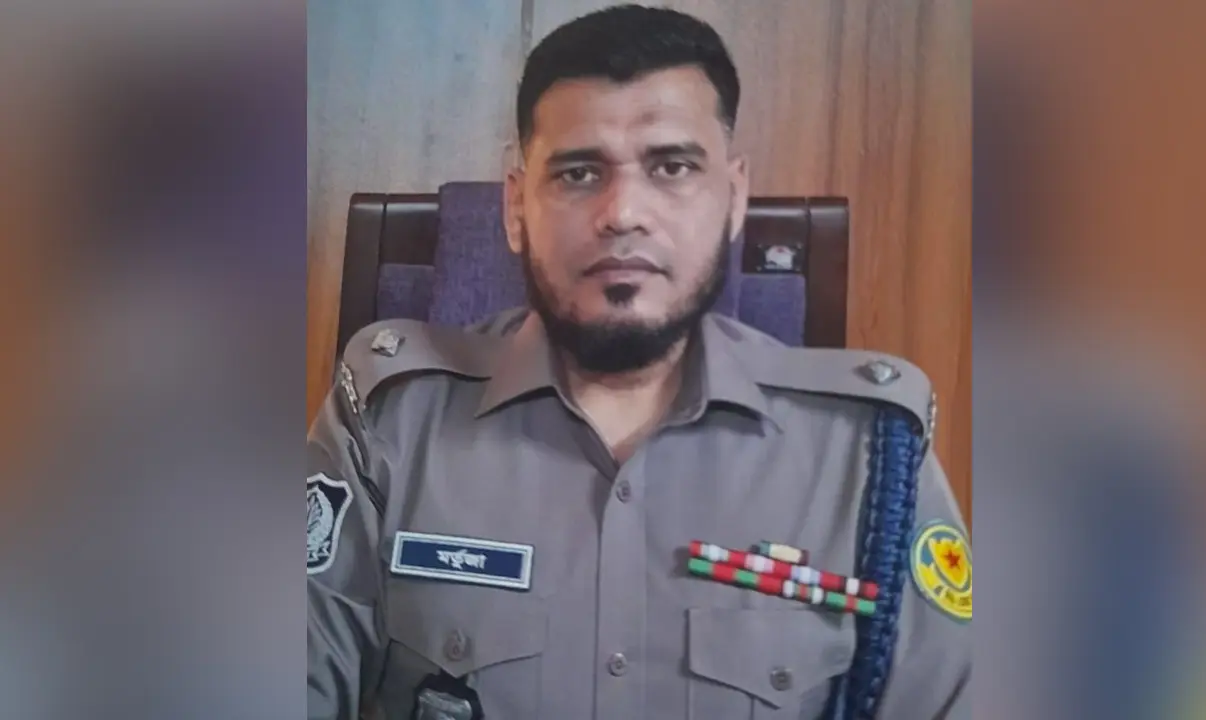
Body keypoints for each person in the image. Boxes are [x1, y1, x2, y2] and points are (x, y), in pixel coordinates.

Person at [307, 5, 969, 718]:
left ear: (734, 198)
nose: (623, 212)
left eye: (672, 166)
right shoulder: (387, 422)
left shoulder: (868, 455)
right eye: (578, 173)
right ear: (516, 209)